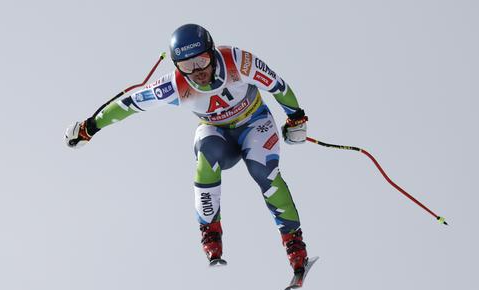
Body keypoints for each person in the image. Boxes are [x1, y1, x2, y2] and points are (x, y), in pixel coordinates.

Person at [65, 24, 310, 273]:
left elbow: (278, 86)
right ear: (177, 66)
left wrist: (296, 118)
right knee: (206, 159)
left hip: (255, 124)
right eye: (187, 66)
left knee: (263, 170)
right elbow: (131, 104)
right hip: (218, 131)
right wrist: (91, 127)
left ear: (212, 53)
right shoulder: (175, 85)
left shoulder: (238, 62)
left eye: (202, 61)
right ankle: (210, 233)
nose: (198, 72)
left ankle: (294, 242)